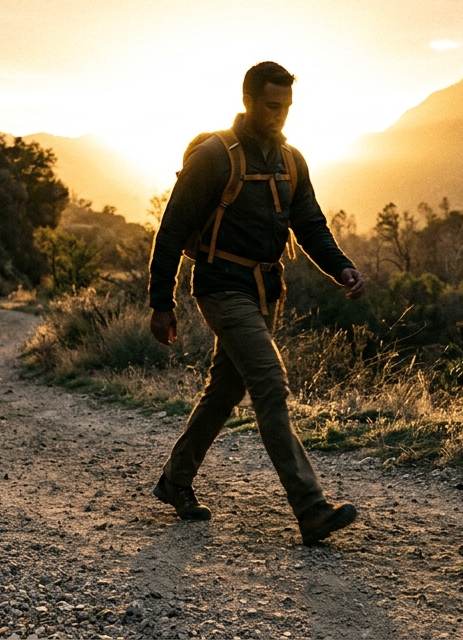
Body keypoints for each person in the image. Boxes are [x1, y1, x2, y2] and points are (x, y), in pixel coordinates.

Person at [147, 61, 367, 545]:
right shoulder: (214, 157)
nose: (280, 116)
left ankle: (175, 480)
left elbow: (309, 223)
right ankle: (310, 508)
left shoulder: (291, 160)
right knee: (270, 383)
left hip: (266, 292)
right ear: (248, 101)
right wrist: (161, 301)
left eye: (287, 107)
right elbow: (171, 229)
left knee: (224, 391)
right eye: (272, 106)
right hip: (220, 287)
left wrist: (341, 266)